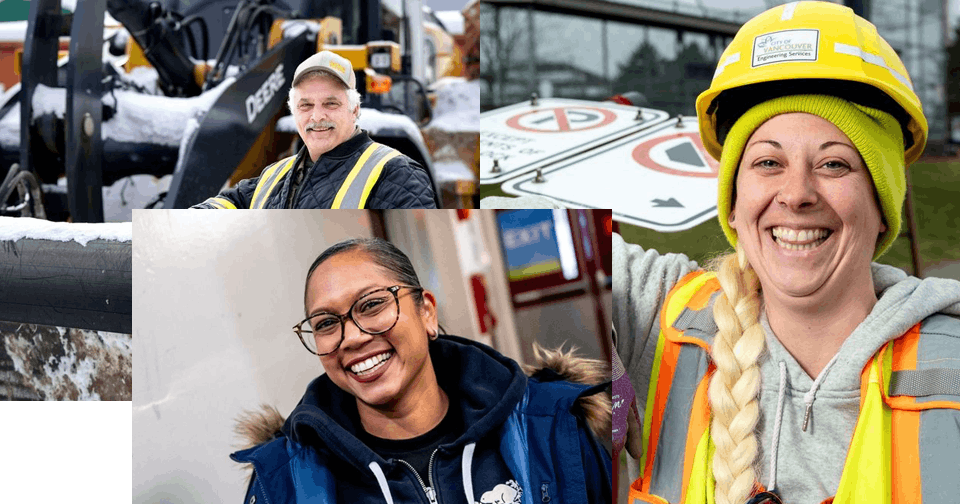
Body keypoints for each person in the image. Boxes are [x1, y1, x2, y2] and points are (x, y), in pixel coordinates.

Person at [614, 3, 960, 504]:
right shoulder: (662, 327)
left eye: (834, 164)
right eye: (768, 161)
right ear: (733, 205)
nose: (796, 193)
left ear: (883, 208)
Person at [230, 238, 611, 503]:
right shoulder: (282, 480)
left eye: (371, 305)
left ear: (426, 312)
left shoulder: (552, 428)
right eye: (326, 323)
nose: (351, 337)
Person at [192, 51, 437, 209]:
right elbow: (229, 203)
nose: (317, 116)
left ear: (354, 110)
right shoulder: (273, 176)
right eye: (306, 105)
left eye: (331, 103)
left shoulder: (396, 174)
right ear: (294, 112)